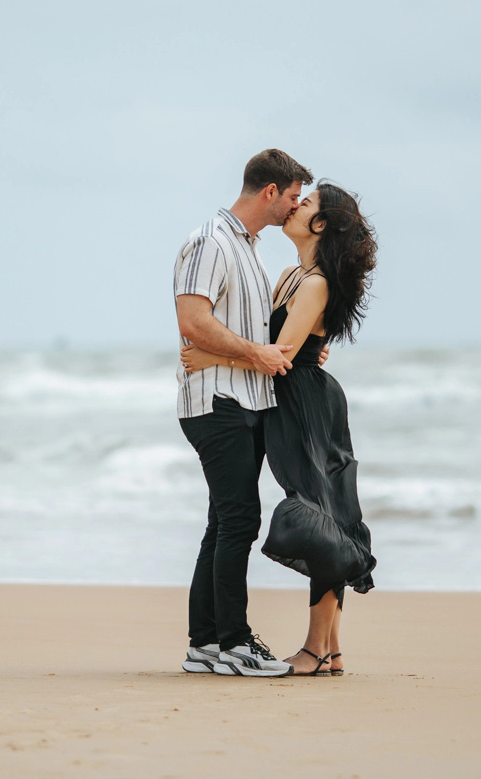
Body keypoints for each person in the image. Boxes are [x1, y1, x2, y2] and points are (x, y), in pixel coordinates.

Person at [182, 181, 378, 678]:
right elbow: (264, 342)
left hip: (307, 406)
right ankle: (330, 650)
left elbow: (280, 358)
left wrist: (208, 355)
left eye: (306, 203)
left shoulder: (314, 284)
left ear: (321, 224)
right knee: (323, 516)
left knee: (323, 519)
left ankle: (315, 649)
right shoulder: (293, 275)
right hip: (288, 402)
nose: (296, 205)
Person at [174, 149, 321, 678]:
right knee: (238, 520)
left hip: (243, 399)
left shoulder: (248, 248)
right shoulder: (210, 241)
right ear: (270, 192)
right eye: (293, 197)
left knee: (223, 522)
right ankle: (235, 644)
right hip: (217, 401)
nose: (295, 207)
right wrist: (253, 354)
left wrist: (291, 351)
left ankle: (206, 644)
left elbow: (253, 332)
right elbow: (193, 320)